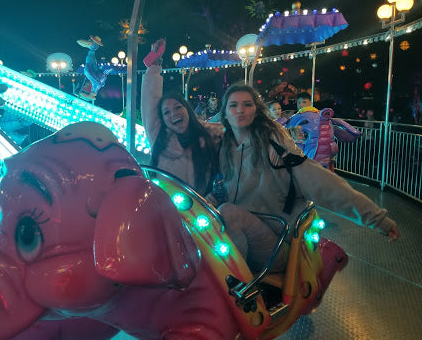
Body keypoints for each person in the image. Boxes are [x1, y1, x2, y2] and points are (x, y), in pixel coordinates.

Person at [209, 83, 399, 273]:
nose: (240, 110)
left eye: (247, 104)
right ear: (224, 113)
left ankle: (234, 290)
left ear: (257, 111)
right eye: (233, 105)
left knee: (228, 213)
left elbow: (322, 183)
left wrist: (375, 218)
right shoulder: (224, 148)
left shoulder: (275, 146)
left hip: (277, 243)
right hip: (241, 237)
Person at [141, 38, 222, 195]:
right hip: (166, 208)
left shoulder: (209, 135)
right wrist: (155, 65)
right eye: (166, 112)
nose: (174, 113)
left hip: (199, 212)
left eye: (178, 107)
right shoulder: (159, 137)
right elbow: (150, 102)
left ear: (188, 110)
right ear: (162, 119)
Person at [76, 35, 112, 100]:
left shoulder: (93, 85)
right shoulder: (95, 87)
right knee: (87, 69)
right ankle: (93, 46)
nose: (85, 85)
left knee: (89, 63)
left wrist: (82, 95)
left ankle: (92, 47)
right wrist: (83, 96)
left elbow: (90, 95)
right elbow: (93, 97)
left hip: (98, 75)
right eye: (86, 86)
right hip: (99, 78)